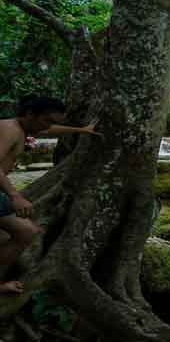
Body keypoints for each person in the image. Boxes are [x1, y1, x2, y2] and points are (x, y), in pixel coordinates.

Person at [0, 96, 102, 295]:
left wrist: (82, 131)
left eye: (54, 122)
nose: (49, 126)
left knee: (15, 232)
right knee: (27, 232)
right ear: (30, 114)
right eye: (47, 120)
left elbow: (50, 130)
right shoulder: (10, 130)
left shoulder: (22, 127)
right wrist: (15, 195)